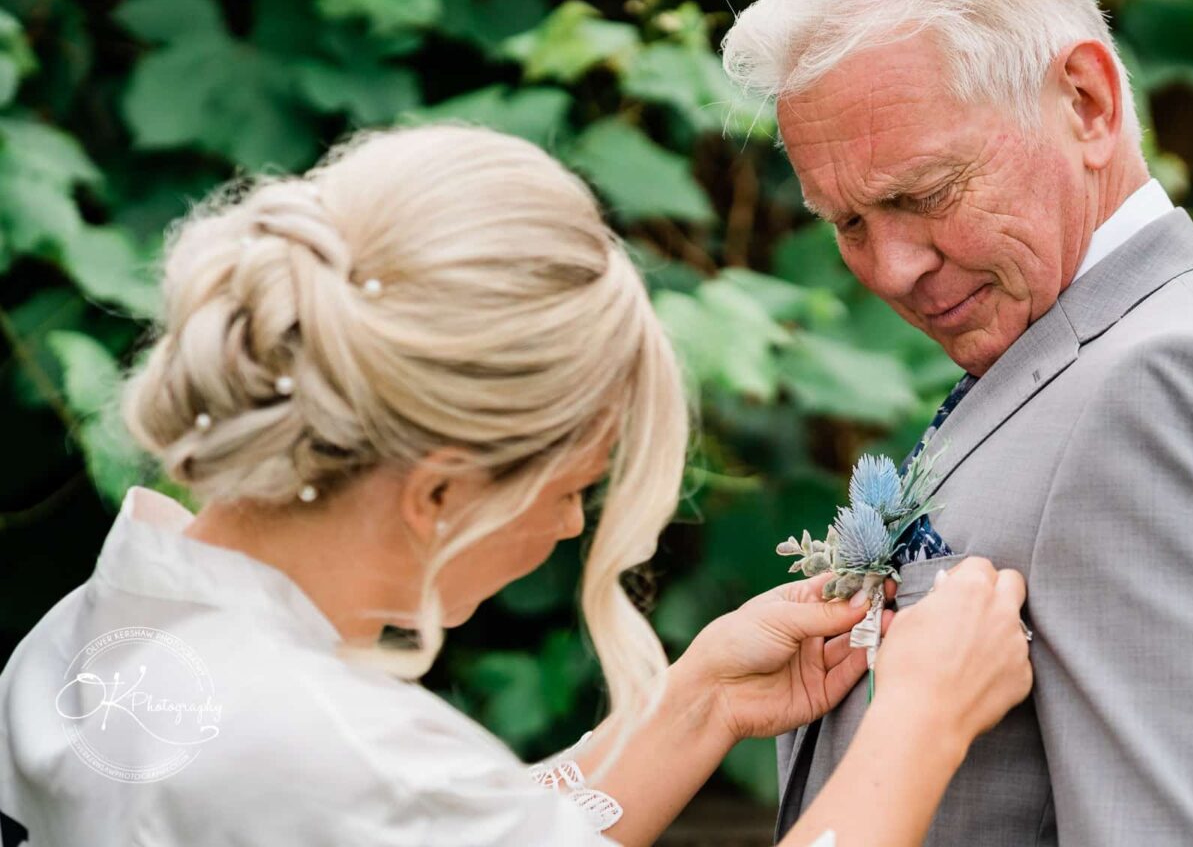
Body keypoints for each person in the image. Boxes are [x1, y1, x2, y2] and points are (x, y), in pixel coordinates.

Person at [0, 123, 1033, 846]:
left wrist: (696, 701)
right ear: (441, 493)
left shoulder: (96, 641)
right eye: (574, 486)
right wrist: (922, 721)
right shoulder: (346, 751)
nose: (574, 523)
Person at [722, 0, 1193, 845]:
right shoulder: (1066, 356)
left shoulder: (1174, 384)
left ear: (1087, 102)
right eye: (849, 222)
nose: (890, 268)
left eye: (926, 192)